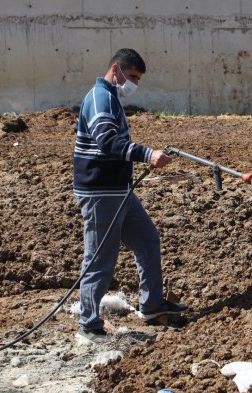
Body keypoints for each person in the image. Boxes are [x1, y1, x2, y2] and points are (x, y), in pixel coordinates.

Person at [73, 48, 187, 344]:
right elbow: (108, 141)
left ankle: (151, 305)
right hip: (100, 192)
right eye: (132, 76)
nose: (134, 83)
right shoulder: (100, 98)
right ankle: (88, 323)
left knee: (147, 239)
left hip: (119, 191)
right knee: (100, 257)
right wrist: (148, 155)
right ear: (116, 69)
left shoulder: (111, 98)